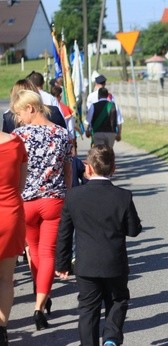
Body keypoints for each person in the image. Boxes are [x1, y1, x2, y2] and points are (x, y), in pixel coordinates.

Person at [55, 145, 142, 346]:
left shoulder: (74, 196)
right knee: (118, 300)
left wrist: (62, 263)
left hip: (86, 265)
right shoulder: (123, 196)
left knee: (87, 309)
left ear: (88, 168)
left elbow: (64, 234)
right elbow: (133, 231)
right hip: (115, 263)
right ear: (113, 168)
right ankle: (111, 338)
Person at [11, 89, 72, 331]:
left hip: (25, 201)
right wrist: (66, 195)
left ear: (31, 108)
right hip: (53, 200)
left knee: (33, 253)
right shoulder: (61, 134)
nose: (18, 118)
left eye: (19, 113)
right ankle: (40, 305)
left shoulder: (17, 136)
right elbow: (68, 170)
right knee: (48, 254)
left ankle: (42, 295)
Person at [0, 129, 27, 344]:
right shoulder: (15, 143)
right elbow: (21, 185)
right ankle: (2, 329)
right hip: (9, 213)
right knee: (6, 278)